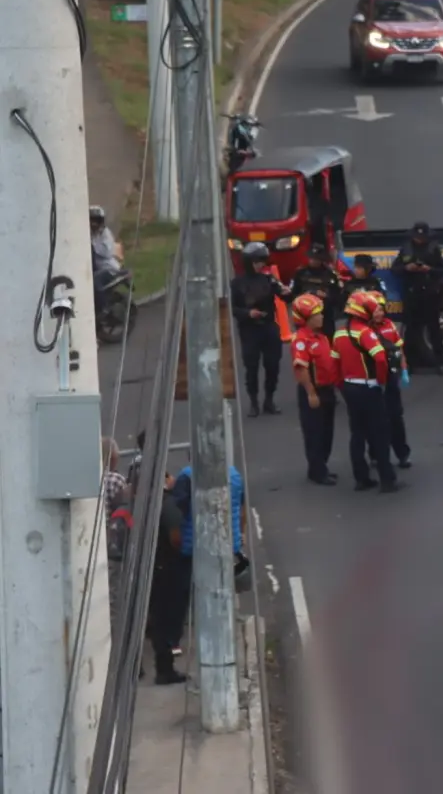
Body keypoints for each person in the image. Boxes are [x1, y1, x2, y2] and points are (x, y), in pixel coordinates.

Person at [168, 464, 246, 655]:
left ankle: (174, 641)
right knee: (220, 591)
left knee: (180, 595)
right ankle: (221, 636)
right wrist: (238, 535)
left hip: (193, 546)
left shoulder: (186, 477)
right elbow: (242, 510)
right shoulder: (234, 475)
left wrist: (175, 541)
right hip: (226, 544)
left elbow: (176, 512)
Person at [331, 292, 398, 493]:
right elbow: (379, 359)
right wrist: (382, 381)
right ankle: (388, 480)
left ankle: (361, 479)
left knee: (357, 434)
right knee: (380, 434)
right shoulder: (366, 333)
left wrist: (341, 386)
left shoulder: (339, 333)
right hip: (369, 388)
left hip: (350, 388)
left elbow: (335, 363)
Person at [231, 242, 292, 417]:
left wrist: (288, 292)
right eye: (257, 261)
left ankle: (269, 400)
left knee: (273, 365)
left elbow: (284, 295)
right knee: (251, 367)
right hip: (249, 331)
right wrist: (248, 313)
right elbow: (232, 308)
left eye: (262, 261)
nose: (261, 265)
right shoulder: (237, 283)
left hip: (269, 328)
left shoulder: (269, 279)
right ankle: (253, 402)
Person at [291, 294, 340, 485]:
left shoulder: (321, 337)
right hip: (314, 391)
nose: (321, 317)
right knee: (315, 433)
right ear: (305, 319)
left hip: (327, 390)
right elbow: (301, 368)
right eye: (316, 315)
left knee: (327, 431)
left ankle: (322, 467)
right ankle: (317, 471)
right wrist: (311, 392)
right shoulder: (301, 340)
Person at [144, 471, 187, 685]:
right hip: (168, 568)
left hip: (153, 567)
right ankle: (165, 668)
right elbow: (176, 538)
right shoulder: (169, 506)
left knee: (158, 618)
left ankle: (163, 666)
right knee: (169, 619)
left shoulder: (146, 503)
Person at [391, 221, 443, 375]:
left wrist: (429, 269)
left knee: (434, 329)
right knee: (411, 330)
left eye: (422, 237)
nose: (419, 239)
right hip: (412, 293)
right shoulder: (406, 249)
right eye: (417, 236)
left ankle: (440, 362)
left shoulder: (434, 249)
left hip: (430, 293)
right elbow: (394, 269)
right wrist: (406, 268)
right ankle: (409, 363)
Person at [368, 290, 412, 469]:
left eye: (381, 309)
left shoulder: (390, 325)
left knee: (395, 417)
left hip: (390, 377)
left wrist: (404, 370)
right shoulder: (365, 330)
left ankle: (402, 455)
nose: (379, 313)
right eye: (375, 310)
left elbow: (399, 349)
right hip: (374, 380)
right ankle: (376, 455)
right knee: (375, 421)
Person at [291, 247, 344, 340]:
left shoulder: (330, 274)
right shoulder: (300, 273)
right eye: (311, 258)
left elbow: (337, 296)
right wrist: (309, 294)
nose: (313, 261)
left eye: (316, 259)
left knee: (327, 342)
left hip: (325, 315)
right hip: (305, 316)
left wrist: (326, 296)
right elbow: (294, 293)